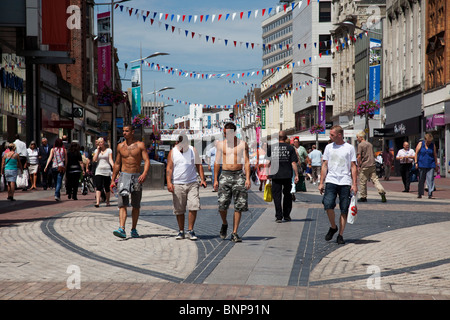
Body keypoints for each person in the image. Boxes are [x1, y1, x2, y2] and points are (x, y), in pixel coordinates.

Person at [318, 126, 358, 245]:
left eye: (332, 135)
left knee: (344, 208)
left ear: (339, 135)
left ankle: (340, 235)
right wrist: (321, 182)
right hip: (331, 180)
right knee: (328, 204)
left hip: (345, 181)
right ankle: (333, 226)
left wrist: (354, 184)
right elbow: (325, 165)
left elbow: (353, 166)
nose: (329, 137)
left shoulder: (349, 148)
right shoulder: (328, 147)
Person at [110, 124, 150, 239]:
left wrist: (144, 173)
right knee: (122, 203)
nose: (124, 133)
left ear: (132, 132)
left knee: (136, 204)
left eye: (127, 131)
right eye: (123, 131)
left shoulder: (140, 145)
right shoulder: (120, 146)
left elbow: (147, 160)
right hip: (124, 177)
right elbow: (117, 164)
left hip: (137, 177)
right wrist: (113, 180)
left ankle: (133, 229)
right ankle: (122, 228)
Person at [213, 122, 251, 242]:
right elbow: (216, 162)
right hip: (225, 174)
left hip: (238, 175)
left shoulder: (242, 144)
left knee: (239, 204)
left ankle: (234, 232)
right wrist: (215, 179)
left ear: (233, 132)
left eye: (227, 133)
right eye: (224, 133)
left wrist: (248, 178)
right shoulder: (220, 144)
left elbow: (247, 162)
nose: (225, 135)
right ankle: (224, 223)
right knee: (222, 204)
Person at [166, 133, 207, 240]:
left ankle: (190, 230)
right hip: (178, 184)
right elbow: (169, 168)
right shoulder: (173, 152)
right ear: (177, 143)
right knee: (179, 209)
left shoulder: (193, 150)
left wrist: (202, 179)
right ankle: (181, 231)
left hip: (192, 183)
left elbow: (199, 165)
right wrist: (169, 182)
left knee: (194, 205)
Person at [267, 131, 299, 223]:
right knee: (287, 195)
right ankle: (287, 215)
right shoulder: (290, 148)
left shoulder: (271, 148)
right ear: (285, 138)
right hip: (287, 175)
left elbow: (267, 162)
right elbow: (293, 163)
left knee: (277, 196)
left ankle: (279, 216)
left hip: (275, 175)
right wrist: (296, 175)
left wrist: (266, 173)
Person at [356, 132, 387, 203]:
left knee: (363, 181)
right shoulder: (370, 144)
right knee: (375, 180)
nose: (357, 139)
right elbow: (373, 154)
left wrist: (358, 165)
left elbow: (359, 156)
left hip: (364, 165)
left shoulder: (360, 145)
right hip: (372, 164)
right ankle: (382, 192)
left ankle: (363, 197)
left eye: (357, 137)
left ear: (361, 137)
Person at [415, 133, 438, 199]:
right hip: (421, 164)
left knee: (430, 179)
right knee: (421, 180)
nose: (429, 143)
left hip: (431, 164)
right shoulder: (420, 144)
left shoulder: (432, 145)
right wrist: (416, 162)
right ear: (425, 140)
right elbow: (416, 153)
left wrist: (436, 165)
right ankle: (420, 193)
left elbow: (435, 155)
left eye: (430, 141)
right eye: (428, 141)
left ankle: (430, 194)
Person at [92, 137, 114, 207]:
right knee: (98, 187)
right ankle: (97, 202)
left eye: (101, 142)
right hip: (99, 170)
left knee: (107, 187)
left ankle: (107, 201)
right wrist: (98, 150)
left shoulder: (109, 150)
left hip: (107, 170)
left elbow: (110, 159)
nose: (100, 144)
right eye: (99, 142)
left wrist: (114, 167)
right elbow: (94, 160)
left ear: (104, 142)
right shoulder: (96, 150)